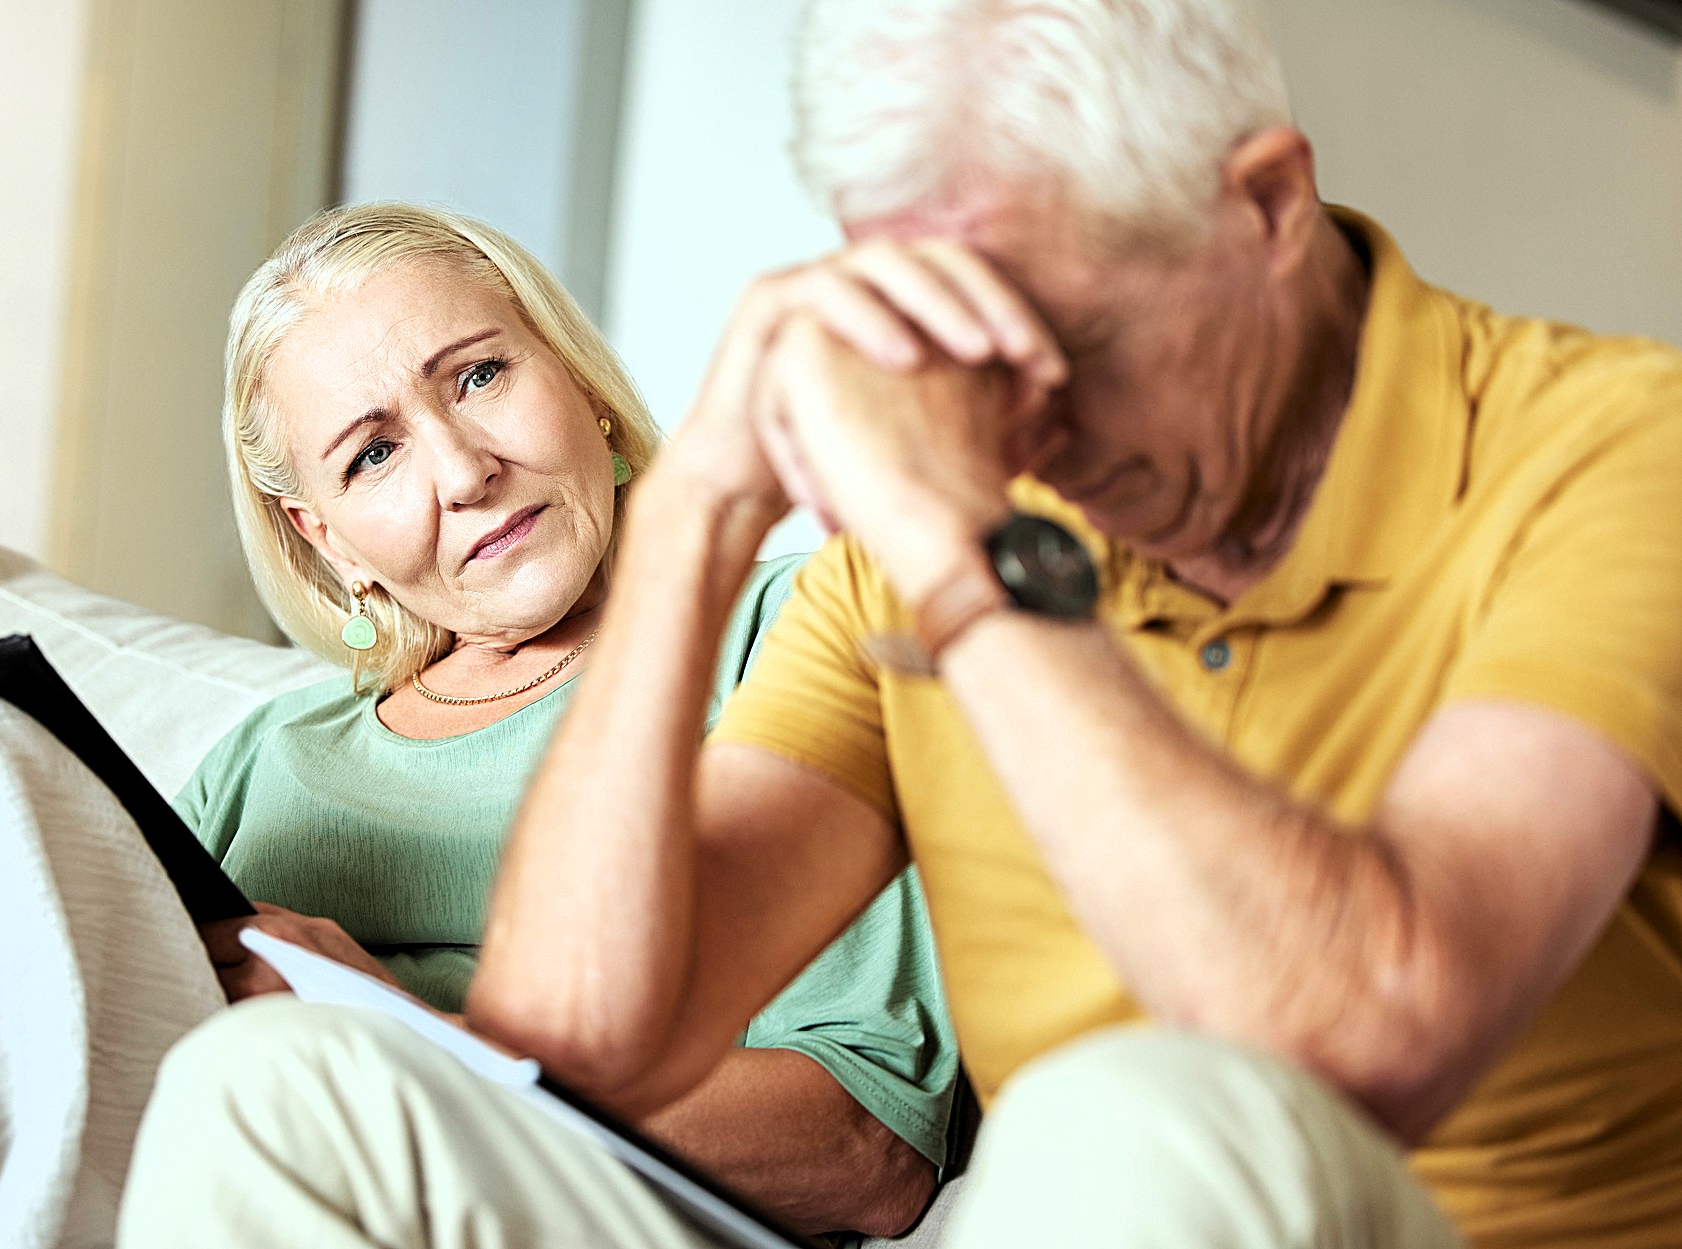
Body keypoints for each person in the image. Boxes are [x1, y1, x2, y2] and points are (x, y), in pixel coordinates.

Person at [118, 2, 1682, 1248]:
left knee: (1143, 1112)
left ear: (1263, 205)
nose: (1008, 418)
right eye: (943, 328)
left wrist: (971, 553)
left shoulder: (1618, 452)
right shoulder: (895, 566)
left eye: (1054, 333)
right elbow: (576, 1041)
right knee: (280, 1093)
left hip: (1387, 1212)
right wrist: (706, 506)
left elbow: (1366, 1035)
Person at [0, 203, 957, 1247]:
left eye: (479, 374)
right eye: (371, 456)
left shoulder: (793, 635)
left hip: (576, 1200)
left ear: (577, 382)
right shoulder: (275, 762)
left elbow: (865, 1151)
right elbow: (23, 1002)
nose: (463, 469)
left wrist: (418, 1036)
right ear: (326, 540)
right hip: (184, 1189)